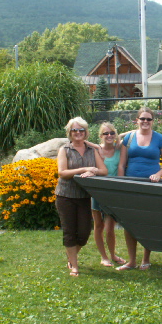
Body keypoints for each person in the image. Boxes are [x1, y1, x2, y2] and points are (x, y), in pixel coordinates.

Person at [116, 107, 162, 271]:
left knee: (148, 222)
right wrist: (120, 184)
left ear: (153, 121)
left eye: (148, 119)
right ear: (137, 120)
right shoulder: (129, 138)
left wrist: (158, 174)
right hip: (131, 184)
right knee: (129, 223)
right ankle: (132, 261)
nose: (145, 122)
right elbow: (121, 163)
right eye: (142, 119)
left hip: (151, 185)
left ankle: (145, 259)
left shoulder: (160, 139)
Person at [55, 117, 107, 277]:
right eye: (74, 130)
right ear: (69, 133)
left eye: (81, 130)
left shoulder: (92, 150)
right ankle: (74, 265)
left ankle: (71, 255)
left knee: (84, 233)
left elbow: (103, 170)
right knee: (70, 231)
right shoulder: (65, 150)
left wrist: (94, 171)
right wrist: (83, 168)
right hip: (66, 196)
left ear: (86, 132)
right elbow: (62, 173)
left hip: (84, 197)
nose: (78, 133)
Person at [88, 122, 127, 267]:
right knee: (98, 225)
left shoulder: (120, 149)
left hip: (113, 193)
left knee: (110, 227)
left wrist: (120, 135)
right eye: (106, 133)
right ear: (100, 136)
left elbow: (134, 132)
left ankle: (112, 255)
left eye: (112, 133)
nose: (109, 136)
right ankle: (103, 257)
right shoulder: (96, 150)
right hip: (97, 191)